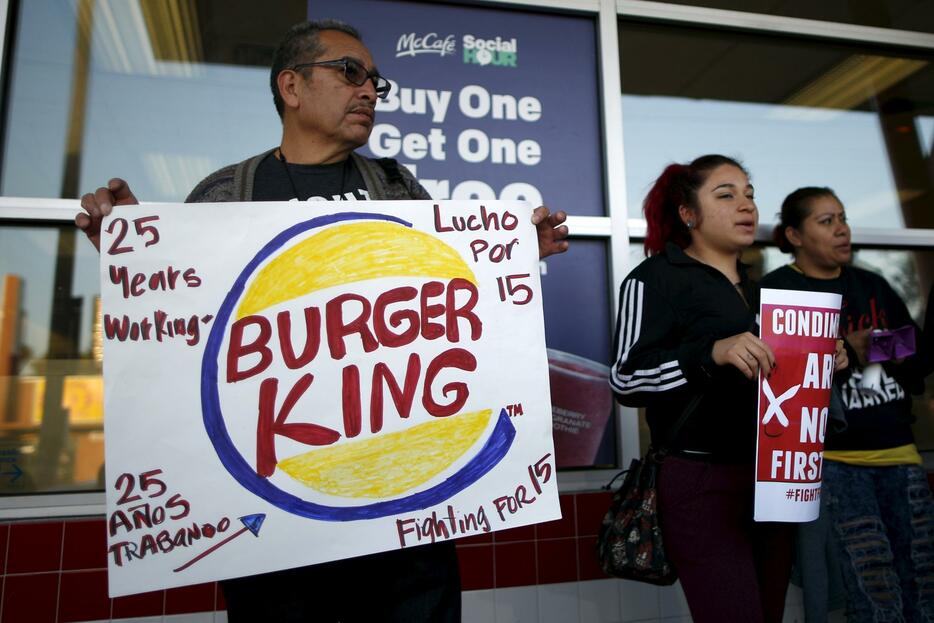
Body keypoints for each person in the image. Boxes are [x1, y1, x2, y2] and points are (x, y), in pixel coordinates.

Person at [75, 19, 570, 623]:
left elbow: (448, 305)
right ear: (292, 86)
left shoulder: (396, 189)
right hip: (281, 534)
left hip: (404, 525)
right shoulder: (226, 196)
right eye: (350, 72)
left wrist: (515, 260)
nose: (368, 92)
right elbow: (186, 338)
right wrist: (136, 256)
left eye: (375, 82)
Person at [610, 155, 796, 623]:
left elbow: (781, 383)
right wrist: (708, 353)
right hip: (700, 480)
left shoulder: (765, 291)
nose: (746, 204)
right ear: (687, 214)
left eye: (749, 193)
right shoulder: (655, 278)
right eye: (726, 194)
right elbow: (625, 379)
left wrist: (821, 361)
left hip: (772, 478)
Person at [762, 186, 934, 623]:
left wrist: (866, 346)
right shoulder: (779, 290)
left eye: (842, 218)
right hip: (834, 460)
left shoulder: (871, 283)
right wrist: (851, 350)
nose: (842, 229)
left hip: (899, 452)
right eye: (826, 221)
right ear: (794, 235)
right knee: (871, 585)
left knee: (923, 577)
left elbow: (919, 357)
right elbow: (779, 376)